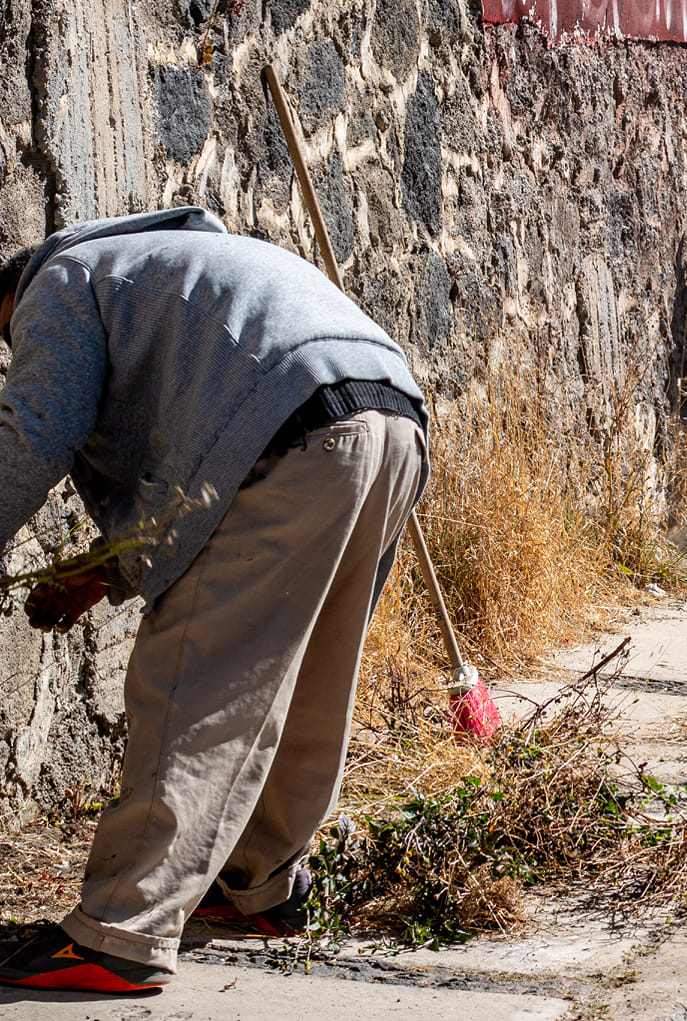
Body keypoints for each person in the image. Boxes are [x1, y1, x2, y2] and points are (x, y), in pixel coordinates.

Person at [0, 207, 429, 993]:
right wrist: (107, 569)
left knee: (195, 675)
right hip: (390, 414)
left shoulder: (55, 281)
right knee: (306, 673)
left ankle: (121, 930)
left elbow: (37, 425)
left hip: (293, 427)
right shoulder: (177, 260)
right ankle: (259, 884)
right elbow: (195, 472)